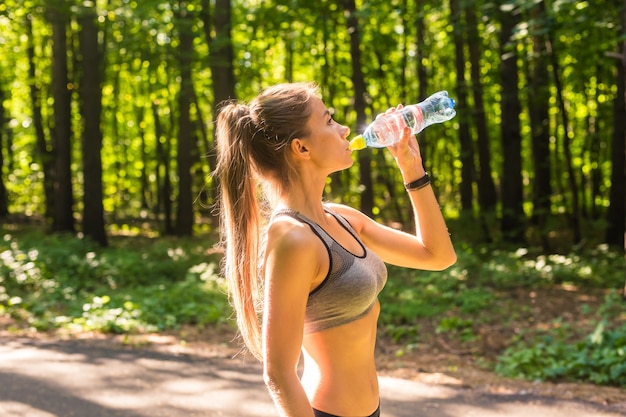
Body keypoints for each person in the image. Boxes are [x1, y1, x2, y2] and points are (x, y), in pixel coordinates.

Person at [214, 82, 456, 417]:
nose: (344, 129)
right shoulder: (293, 238)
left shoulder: (343, 218)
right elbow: (279, 373)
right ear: (301, 148)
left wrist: (411, 168)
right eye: (328, 121)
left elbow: (438, 256)